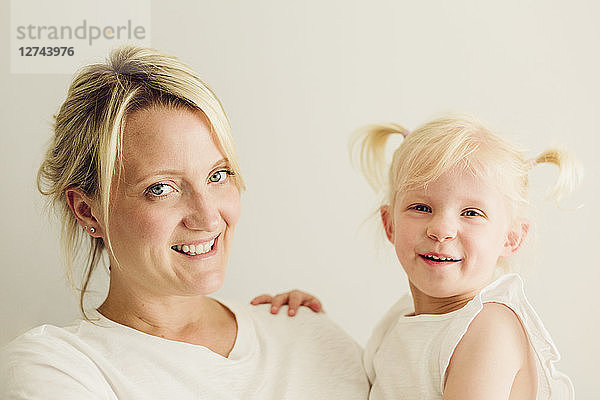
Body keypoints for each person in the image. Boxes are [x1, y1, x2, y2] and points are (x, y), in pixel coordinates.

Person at [0, 45, 369, 399]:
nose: (208, 217)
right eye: (161, 188)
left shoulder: (304, 331)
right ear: (87, 210)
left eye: (218, 175)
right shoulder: (59, 367)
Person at [255, 115, 579, 399]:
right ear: (390, 224)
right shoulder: (403, 318)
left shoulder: (488, 328)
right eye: (421, 208)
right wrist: (311, 331)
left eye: (471, 213)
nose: (441, 230)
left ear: (511, 238)